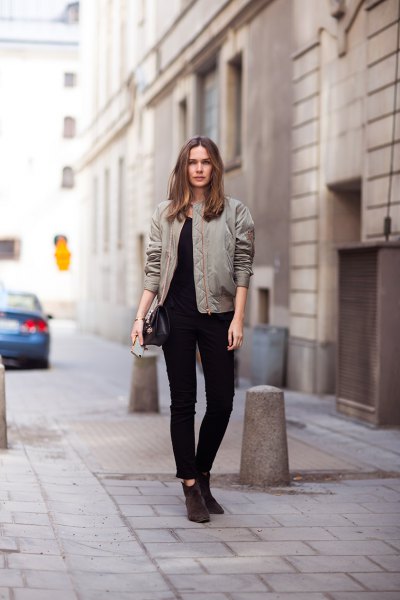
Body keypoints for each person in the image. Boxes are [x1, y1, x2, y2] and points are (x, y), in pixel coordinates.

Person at [131, 135, 254, 523]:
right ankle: (189, 486)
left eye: (205, 162)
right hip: (177, 319)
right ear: (183, 168)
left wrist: (238, 318)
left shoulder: (235, 213)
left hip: (219, 317)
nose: (199, 168)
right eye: (192, 162)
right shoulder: (164, 215)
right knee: (183, 403)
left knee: (222, 402)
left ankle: (202, 472)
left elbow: (243, 268)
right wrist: (139, 318)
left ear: (214, 167)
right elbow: (153, 270)